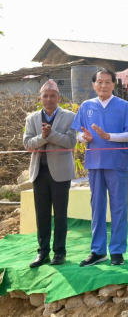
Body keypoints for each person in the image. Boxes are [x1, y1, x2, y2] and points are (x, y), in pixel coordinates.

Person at [71, 68, 128, 267]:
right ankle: (98, 251)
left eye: (108, 82)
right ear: (93, 85)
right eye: (99, 82)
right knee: (97, 207)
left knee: (119, 207)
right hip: (95, 163)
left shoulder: (124, 106)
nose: (103, 85)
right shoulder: (86, 106)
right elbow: (78, 134)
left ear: (114, 85)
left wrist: (109, 136)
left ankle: (117, 250)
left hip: (117, 163)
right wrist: (85, 138)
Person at [23, 80, 77, 267]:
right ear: (40, 98)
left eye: (52, 95)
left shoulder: (69, 116)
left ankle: (59, 253)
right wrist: (43, 137)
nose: (49, 99)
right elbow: (28, 144)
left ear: (58, 97)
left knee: (60, 214)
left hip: (61, 173)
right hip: (39, 172)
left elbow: (71, 142)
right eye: (45, 96)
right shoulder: (31, 119)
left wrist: (51, 134)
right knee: (42, 214)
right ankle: (43, 252)